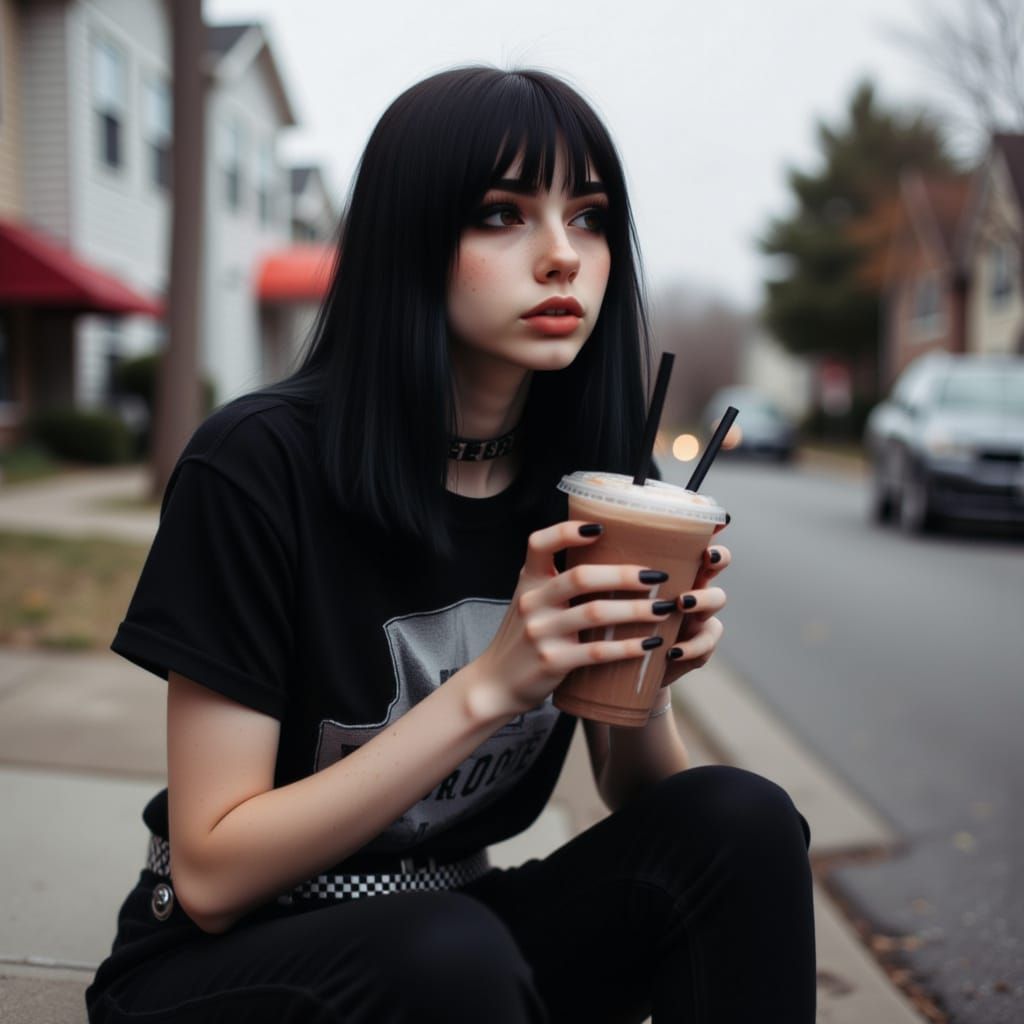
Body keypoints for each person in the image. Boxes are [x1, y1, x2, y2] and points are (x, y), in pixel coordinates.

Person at [85, 66, 815, 1023]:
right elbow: (214, 872)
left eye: (589, 217)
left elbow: (636, 793)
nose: (563, 256)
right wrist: (490, 687)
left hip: (460, 945)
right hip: (229, 957)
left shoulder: (596, 482)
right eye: (503, 215)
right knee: (446, 954)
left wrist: (646, 675)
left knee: (742, 824)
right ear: (410, 237)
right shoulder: (258, 465)